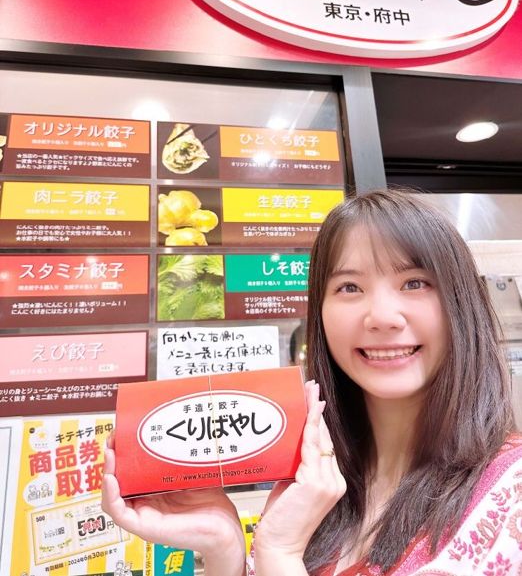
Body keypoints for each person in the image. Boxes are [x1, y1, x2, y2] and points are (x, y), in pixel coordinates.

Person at [102, 189, 522, 575]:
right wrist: (224, 548)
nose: (382, 317)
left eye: (414, 283)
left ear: (461, 302)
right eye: (349, 287)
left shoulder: (511, 490)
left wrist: (281, 553)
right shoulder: (315, 484)